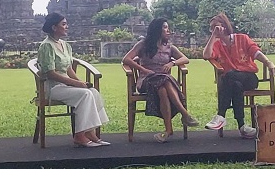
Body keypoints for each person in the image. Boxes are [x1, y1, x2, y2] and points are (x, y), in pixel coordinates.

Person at [37, 12, 110, 148]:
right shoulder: (47, 46)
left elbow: (69, 69)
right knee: (85, 94)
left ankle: (90, 133)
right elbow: (50, 73)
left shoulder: (65, 45)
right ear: (54, 27)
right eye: (63, 24)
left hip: (67, 86)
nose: (67, 27)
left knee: (91, 91)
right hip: (54, 87)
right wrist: (76, 84)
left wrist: (81, 83)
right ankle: (79, 135)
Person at [122, 18, 199, 143]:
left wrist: (172, 63)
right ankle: (184, 114)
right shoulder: (143, 44)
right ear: (157, 30)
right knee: (164, 81)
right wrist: (144, 70)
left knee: (163, 89)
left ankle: (168, 131)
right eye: (165, 28)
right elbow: (126, 59)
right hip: (147, 80)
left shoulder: (169, 47)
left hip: (163, 80)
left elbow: (185, 59)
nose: (168, 31)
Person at [202, 12, 275, 139]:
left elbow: (256, 52)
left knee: (228, 76)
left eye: (216, 26)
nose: (213, 29)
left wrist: (268, 63)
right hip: (233, 81)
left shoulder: (242, 38)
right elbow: (206, 55)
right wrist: (213, 36)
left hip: (249, 78)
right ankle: (242, 127)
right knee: (235, 85)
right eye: (211, 27)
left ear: (224, 26)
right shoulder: (217, 45)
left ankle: (220, 116)